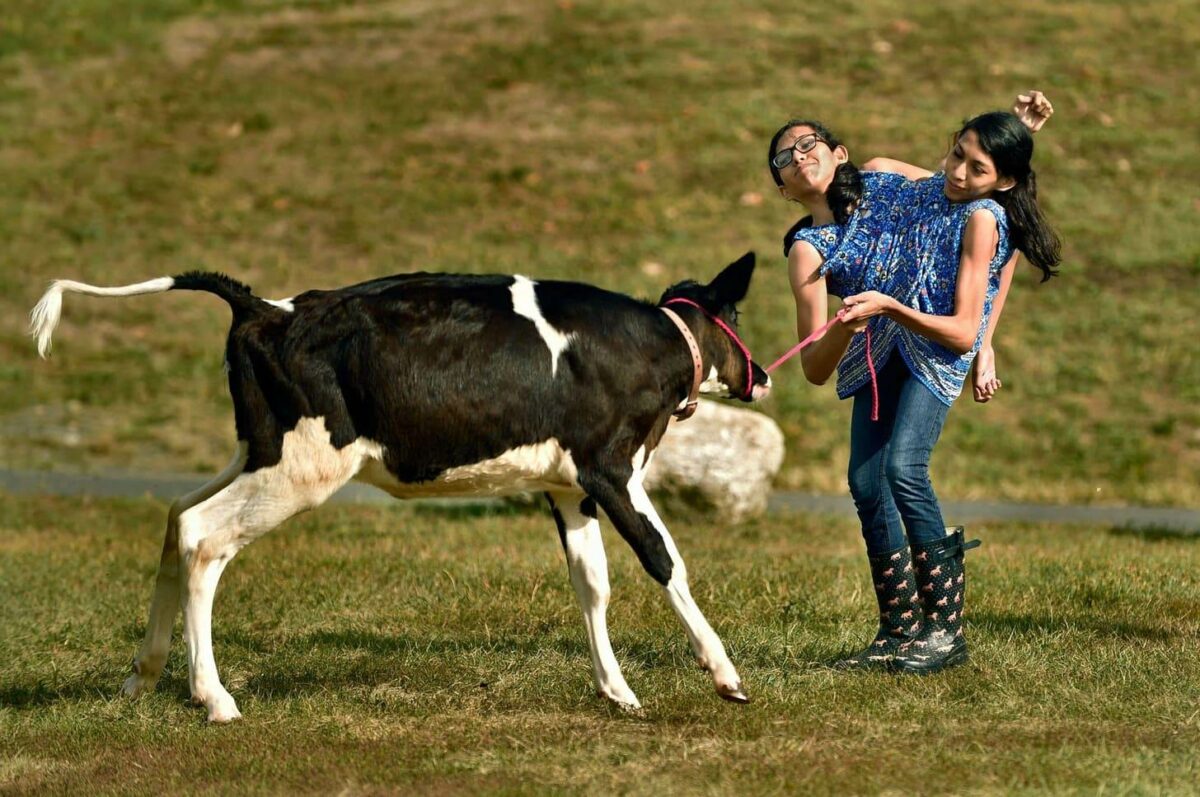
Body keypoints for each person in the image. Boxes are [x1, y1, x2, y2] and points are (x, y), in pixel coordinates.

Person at [767, 93, 1060, 672]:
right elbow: (814, 367)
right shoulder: (808, 251)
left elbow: (985, 204)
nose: (798, 157)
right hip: (874, 355)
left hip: (934, 347)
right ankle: (898, 631)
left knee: (905, 468)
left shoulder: (890, 179)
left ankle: (945, 631)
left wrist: (984, 339)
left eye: (807, 144)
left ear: (839, 152)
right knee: (865, 483)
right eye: (784, 158)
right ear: (782, 189)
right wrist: (848, 325)